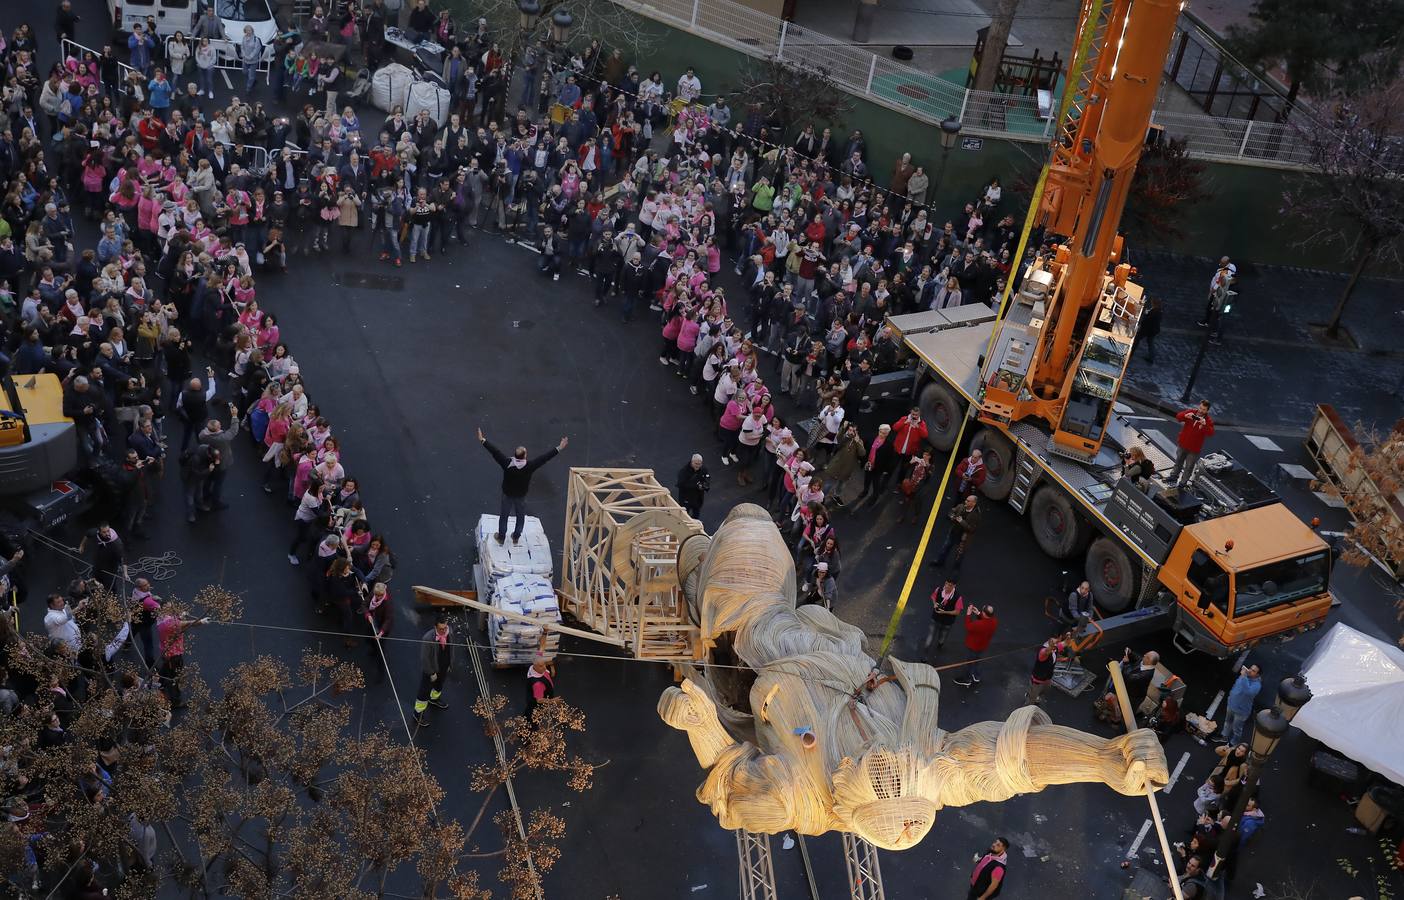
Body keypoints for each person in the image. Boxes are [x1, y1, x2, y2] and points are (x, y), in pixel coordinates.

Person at [478, 428, 567, 544]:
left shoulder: (506, 463)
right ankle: (516, 537)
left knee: (504, 516)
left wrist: (482, 440)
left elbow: (495, 451)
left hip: (507, 494)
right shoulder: (530, 466)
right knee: (520, 517)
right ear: (525, 456)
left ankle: (501, 537)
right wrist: (559, 447)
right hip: (520, 496)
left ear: (515, 455)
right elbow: (545, 458)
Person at [412, 616, 455, 728]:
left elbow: (452, 649)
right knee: (424, 692)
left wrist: (450, 664)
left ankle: (434, 699)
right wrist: (431, 673)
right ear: (435, 627)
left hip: (444, 666)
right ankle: (418, 714)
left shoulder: (449, 633)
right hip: (432, 670)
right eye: (441, 629)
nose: (444, 630)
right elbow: (425, 659)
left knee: (439, 685)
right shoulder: (428, 638)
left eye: (445, 628)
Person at [1168, 400, 1215, 489]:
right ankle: (1173, 477)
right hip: (1183, 444)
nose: (1201, 411)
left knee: (1189, 467)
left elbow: (1211, 433)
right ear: (1199, 406)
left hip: (1194, 449)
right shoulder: (1191, 412)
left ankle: (1183, 483)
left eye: (1204, 409)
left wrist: (1204, 425)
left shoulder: (1208, 421)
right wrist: (1185, 416)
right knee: (1178, 461)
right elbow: (1178, 417)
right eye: (1200, 408)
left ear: (1207, 411)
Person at [952, 604, 997, 687]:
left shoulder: (978, 624)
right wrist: (978, 613)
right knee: (977, 661)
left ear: (984, 613)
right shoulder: (994, 621)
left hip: (973, 646)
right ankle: (977, 676)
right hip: (983, 646)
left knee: (970, 663)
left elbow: (968, 626)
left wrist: (968, 614)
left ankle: (967, 679)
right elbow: (986, 620)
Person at [930, 494, 981, 570]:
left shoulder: (976, 515)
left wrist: (962, 522)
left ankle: (955, 571)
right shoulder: (961, 506)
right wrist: (952, 516)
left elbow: (972, 529)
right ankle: (940, 561)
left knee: (959, 556)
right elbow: (951, 511)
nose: (965, 501)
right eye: (966, 500)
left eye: (968, 501)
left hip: (963, 538)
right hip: (954, 532)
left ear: (973, 503)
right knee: (946, 547)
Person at [1219, 663, 1262, 746]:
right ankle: (1224, 736)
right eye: (1250, 668)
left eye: (1253, 671)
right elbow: (1236, 686)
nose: (1250, 671)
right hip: (1232, 705)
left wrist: (1244, 677)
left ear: (1257, 675)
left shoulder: (1257, 685)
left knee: (1237, 729)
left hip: (1241, 711)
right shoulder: (1244, 676)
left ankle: (1233, 743)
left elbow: (1248, 692)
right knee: (1227, 722)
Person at [77, 523, 128, 592]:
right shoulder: (95, 533)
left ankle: (113, 599)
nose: (107, 533)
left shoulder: (116, 543)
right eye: (104, 532)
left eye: (108, 531)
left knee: (110, 588)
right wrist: (82, 545)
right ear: (99, 532)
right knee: (95, 583)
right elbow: (88, 534)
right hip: (97, 566)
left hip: (110, 570)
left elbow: (123, 558)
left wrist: (125, 573)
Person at [924, 577, 964, 654]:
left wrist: (945, 612)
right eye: (946, 584)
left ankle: (940, 645)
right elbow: (933, 597)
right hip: (936, 618)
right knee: (930, 636)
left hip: (947, 622)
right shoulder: (939, 589)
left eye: (950, 585)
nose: (946, 586)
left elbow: (957, 612)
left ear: (954, 586)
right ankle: (925, 653)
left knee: (942, 636)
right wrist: (935, 604)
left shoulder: (958, 597)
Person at [1025, 636, 1063, 704]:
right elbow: (1046, 652)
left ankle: (1034, 695)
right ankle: (1026, 709)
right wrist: (1051, 647)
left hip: (1047, 678)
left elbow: (1065, 643)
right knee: (1032, 697)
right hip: (1038, 679)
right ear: (1049, 641)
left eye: (1056, 643)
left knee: (1046, 689)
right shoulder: (1043, 651)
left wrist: (1069, 636)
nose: (1055, 645)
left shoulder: (1055, 648)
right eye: (1053, 643)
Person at [676, 453, 711, 519]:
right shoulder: (684, 471)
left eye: (700, 464)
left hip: (698, 497)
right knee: (684, 515)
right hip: (686, 498)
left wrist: (705, 485)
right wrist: (696, 485)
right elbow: (680, 484)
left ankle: (695, 522)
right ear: (692, 462)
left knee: (696, 512)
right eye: (696, 464)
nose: (698, 466)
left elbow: (707, 478)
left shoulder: (703, 469)